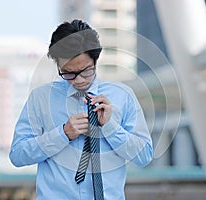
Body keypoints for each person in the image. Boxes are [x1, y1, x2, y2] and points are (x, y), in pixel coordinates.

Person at [9, 19, 153, 200]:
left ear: (95, 60)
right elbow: (18, 155)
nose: (78, 80)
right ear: (58, 65)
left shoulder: (123, 96)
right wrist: (62, 134)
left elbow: (144, 156)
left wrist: (110, 127)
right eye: (68, 73)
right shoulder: (40, 99)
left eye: (86, 71)